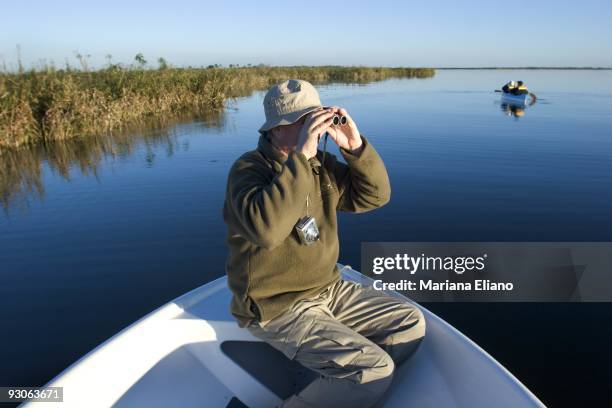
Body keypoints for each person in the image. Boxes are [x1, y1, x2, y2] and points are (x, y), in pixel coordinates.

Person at [222, 79, 426, 408]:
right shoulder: (248, 170)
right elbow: (267, 230)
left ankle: (346, 388)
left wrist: (355, 146)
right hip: (276, 305)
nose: (314, 129)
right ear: (274, 130)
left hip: (328, 288)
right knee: (373, 367)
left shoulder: (321, 167)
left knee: (409, 322)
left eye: (317, 118)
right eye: (304, 122)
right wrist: (301, 158)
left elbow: (375, 197)